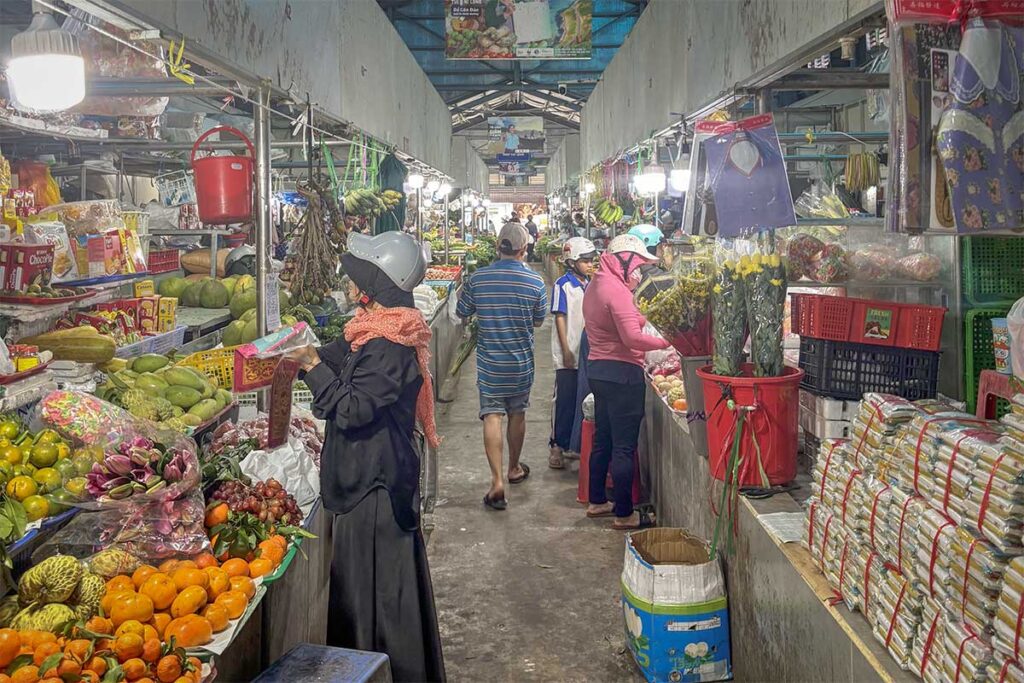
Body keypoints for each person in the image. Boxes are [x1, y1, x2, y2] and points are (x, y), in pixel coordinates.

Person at [284, 232, 445, 682]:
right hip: (367, 481)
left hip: (376, 489)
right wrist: (301, 351)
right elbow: (341, 355)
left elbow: (353, 408)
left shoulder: (390, 346)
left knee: (380, 602)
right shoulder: (373, 331)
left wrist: (313, 369)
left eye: (354, 278)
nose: (347, 285)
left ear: (374, 285)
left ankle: (387, 673)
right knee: (370, 595)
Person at [582, 234, 670, 530]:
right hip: (622, 374)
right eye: (636, 264)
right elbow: (631, 337)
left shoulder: (597, 284)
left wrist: (644, 318)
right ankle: (624, 513)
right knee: (623, 446)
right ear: (623, 260)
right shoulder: (616, 291)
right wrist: (666, 342)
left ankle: (597, 501)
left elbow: (621, 321)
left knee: (603, 439)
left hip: (598, 370)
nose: (638, 272)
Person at [457, 222, 547, 510]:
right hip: (521, 364)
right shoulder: (535, 283)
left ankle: (497, 481)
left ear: (498, 247)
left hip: (490, 364)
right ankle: (514, 468)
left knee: (492, 416)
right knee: (517, 413)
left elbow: (462, 311)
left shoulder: (478, 279)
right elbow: (538, 320)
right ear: (524, 249)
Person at [548, 237, 596, 469]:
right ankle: (557, 445)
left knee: (582, 399)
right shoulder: (562, 285)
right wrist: (566, 350)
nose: (589, 264)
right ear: (572, 261)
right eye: (585, 260)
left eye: (590, 260)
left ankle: (574, 444)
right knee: (564, 400)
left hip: (587, 354)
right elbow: (559, 317)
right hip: (568, 352)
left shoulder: (591, 283)